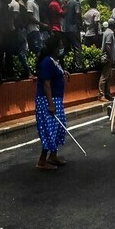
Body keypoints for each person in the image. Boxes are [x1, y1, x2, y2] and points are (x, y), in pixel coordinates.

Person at [34, 33, 70, 170]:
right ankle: (42, 161)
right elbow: (46, 84)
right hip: (48, 100)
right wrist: (50, 104)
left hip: (57, 99)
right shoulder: (47, 62)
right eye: (60, 45)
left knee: (58, 128)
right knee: (50, 129)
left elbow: (55, 74)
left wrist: (63, 72)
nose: (62, 47)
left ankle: (53, 156)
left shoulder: (54, 61)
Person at [98, 19, 115, 101]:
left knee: (108, 76)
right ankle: (101, 94)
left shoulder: (107, 32)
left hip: (107, 57)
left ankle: (107, 93)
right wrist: (111, 57)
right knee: (105, 76)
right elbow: (108, 45)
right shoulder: (110, 33)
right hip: (107, 58)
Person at [63, 0, 83, 70]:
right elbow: (78, 13)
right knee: (77, 47)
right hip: (74, 28)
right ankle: (79, 66)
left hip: (66, 29)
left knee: (67, 48)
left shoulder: (68, 3)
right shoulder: (76, 3)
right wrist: (80, 23)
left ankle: (66, 65)